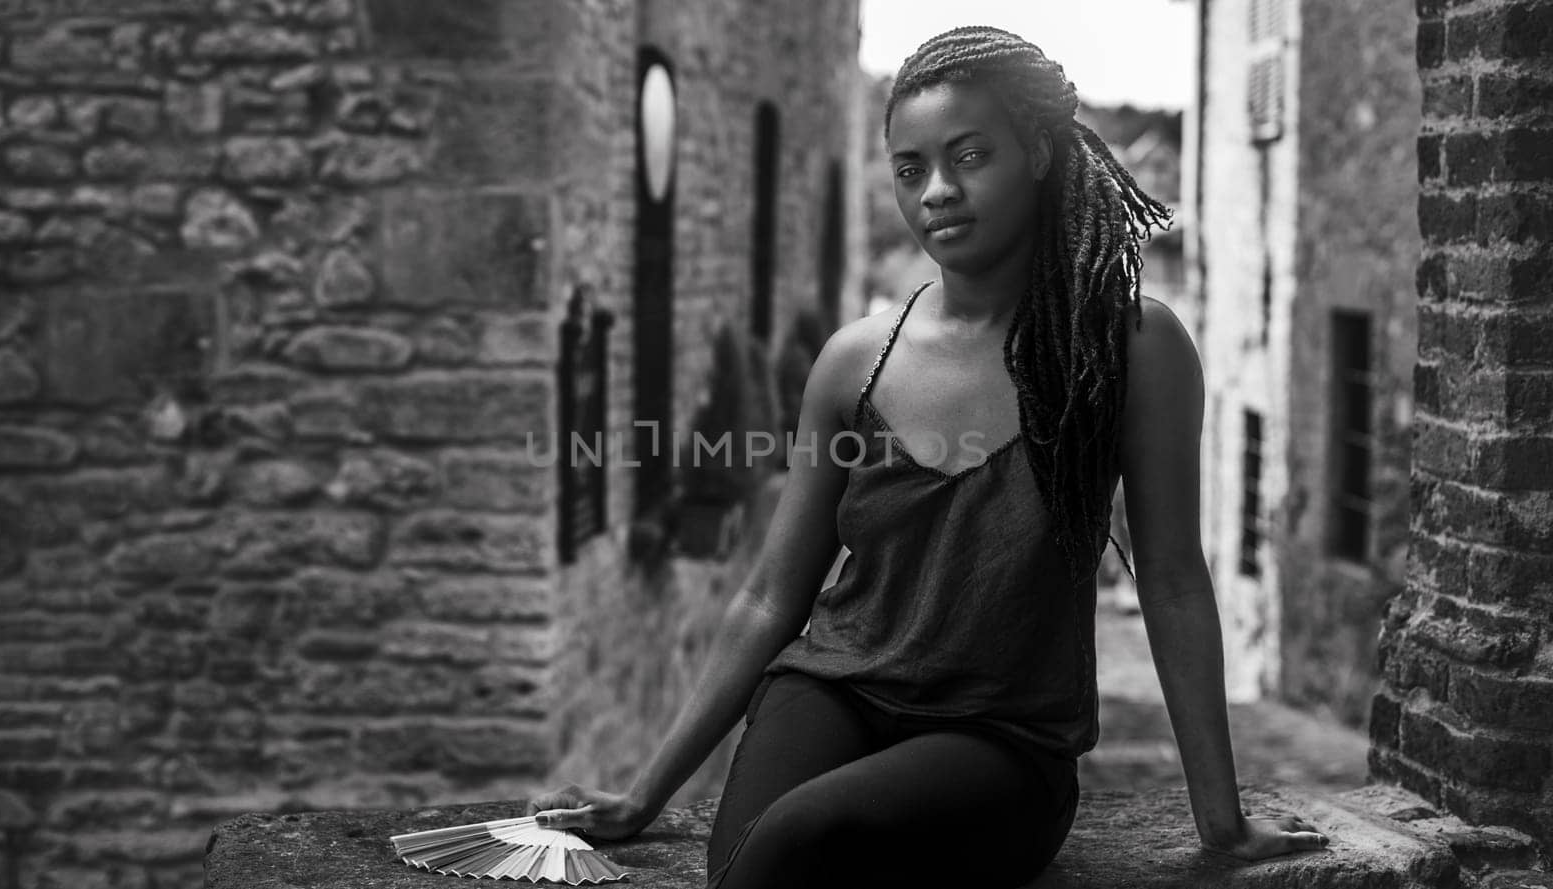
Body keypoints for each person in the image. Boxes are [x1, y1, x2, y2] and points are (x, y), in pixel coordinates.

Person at [526, 25, 1332, 887]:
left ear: (1038, 152)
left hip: (1002, 743)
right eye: (911, 170)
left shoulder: (1132, 345)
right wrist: (645, 796)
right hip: (834, 688)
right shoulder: (854, 361)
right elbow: (770, 594)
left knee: (796, 837)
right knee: (748, 860)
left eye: (969, 155)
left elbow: (1171, 579)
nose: (937, 192)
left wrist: (1222, 820)